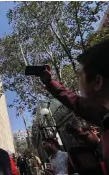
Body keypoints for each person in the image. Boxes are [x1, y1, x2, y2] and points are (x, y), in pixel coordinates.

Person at [39, 39, 109, 170]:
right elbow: (74, 102)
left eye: (80, 75)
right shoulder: (104, 116)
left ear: (98, 82)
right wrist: (49, 82)